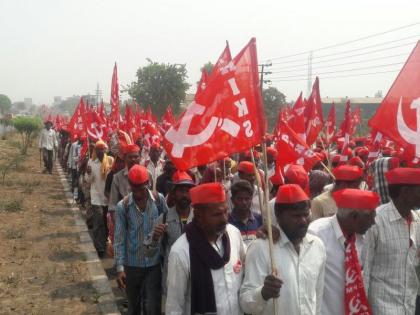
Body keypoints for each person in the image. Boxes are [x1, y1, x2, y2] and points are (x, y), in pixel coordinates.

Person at [240, 184, 326, 315]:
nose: (303, 221)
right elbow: (245, 303)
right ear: (278, 216)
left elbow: (317, 297)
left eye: (306, 214)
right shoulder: (261, 248)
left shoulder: (317, 246)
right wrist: (263, 293)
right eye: (296, 216)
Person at [166, 182, 245, 315]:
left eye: (226, 211)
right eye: (217, 214)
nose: (225, 219)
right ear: (199, 215)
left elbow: (246, 265)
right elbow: (174, 306)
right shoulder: (180, 251)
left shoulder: (234, 234)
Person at [308, 189, 379, 315]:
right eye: (370, 217)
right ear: (354, 217)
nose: (373, 223)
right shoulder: (317, 234)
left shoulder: (364, 237)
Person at [363, 168, 420, 315]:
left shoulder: (417, 220)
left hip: (409, 305)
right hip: (381, 306)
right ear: (405, 192)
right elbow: (365, 269)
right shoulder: (375, 220)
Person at [114, 164, 168, 315]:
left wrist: (161, 232)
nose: (138, 192)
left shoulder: (159, 200)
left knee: (152, 306)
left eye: (141, 188)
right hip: (132, 266)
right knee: (134, 306)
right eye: (134, 188)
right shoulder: (122, 207)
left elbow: (167, 223)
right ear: (130, 185)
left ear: (147, 183)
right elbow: (119, 239)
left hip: (154, 265)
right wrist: (119, 269)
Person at [148, 170, 195, 308]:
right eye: (181, 191)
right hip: (173, 280)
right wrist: (155, 238)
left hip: (197, 280)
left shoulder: (201, 218)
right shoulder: (163, 219)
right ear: (173, 193)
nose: (185, 195)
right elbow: (148, 253)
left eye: (188, 190)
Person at [86, 140, 114, 257]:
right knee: (98, 223)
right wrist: (88, 173)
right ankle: (99, 248)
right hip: (96, 197)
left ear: (105, 150)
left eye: (102, 149)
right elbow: (88, 181)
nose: (100, 151)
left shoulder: (111, 161)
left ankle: (106, 244)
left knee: (106, 223)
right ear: (95, 150)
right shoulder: (91, 162)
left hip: (108, 197)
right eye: (97, 149)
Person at [228, 180, 263, 249]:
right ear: (232, 200)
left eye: (247, 199)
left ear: (251, 199)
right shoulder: (227, 222)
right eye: (239, 199)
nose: (244, 202)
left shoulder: (259, 219)